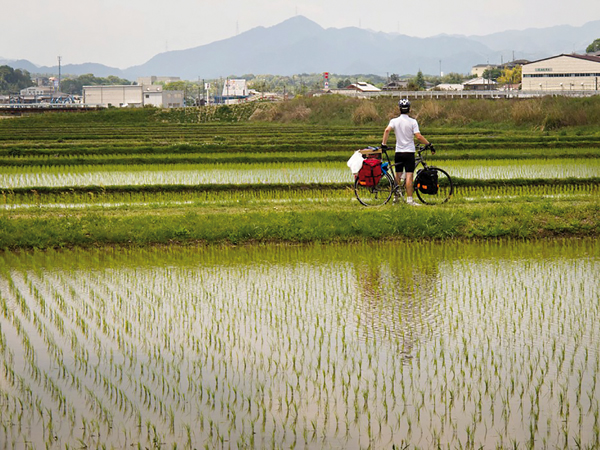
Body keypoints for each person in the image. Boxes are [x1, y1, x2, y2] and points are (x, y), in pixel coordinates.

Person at [381, 99, 433, 206]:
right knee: (409, 175)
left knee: (398, 175)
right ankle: (410, 200)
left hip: (399, 152)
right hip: (409, 152)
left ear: (399, 109)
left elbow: (387, 130)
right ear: (409, 109)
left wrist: (383, 144)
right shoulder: (413, 122)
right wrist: (428, 144)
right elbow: (418, 136)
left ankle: (396, 199)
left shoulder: (394, 121)